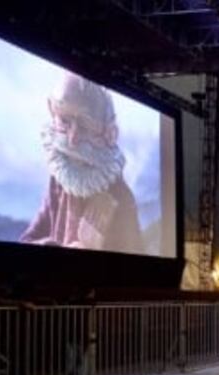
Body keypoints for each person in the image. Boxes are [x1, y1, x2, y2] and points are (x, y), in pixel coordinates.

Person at [20, 73, 143, 254]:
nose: (72, 139)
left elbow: (133, 271)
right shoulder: (58, 183)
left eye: (85, 125)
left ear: (110, 134)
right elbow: (27, 240)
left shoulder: (121, 199)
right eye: (64, 121)